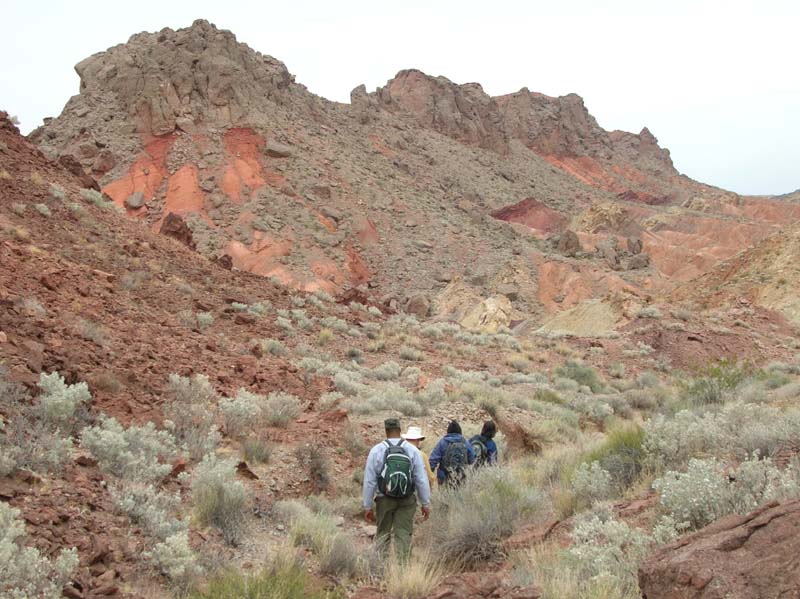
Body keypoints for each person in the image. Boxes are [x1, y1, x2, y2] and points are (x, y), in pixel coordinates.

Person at [362, 418, 431, 559]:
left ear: (386, 431)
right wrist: (425, 503)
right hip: (407, 500)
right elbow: (421, 479)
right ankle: (402, 569)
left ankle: (382, 566)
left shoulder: (376, 450)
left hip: (384, 499)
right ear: (400, 431)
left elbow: (369, 481)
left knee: (383, 533)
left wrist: (367, 506)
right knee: (404, 533)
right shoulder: (412, 450)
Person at [429, 420, 475, 486]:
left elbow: (433, 459)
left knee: (444, 494)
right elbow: (472, 459)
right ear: (460, 431)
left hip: (444, 476)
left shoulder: (442, 442)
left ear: (448, 431)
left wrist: (430, 472)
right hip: (461, 476)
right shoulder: (465, 443)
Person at [401, 425, 436, 490]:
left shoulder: (398, 452)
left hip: (396, 489)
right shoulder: (421, 455)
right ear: (417, 440)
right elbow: (430, 477)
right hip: (413, 491)